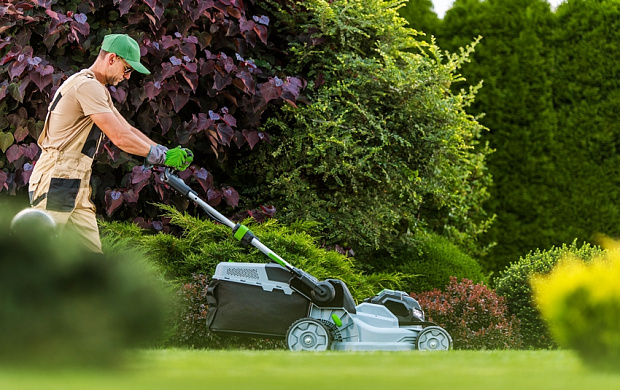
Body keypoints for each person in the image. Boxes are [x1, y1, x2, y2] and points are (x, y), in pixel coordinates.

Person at [28, 34, 192, 253]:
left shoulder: (95, 88)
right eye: (127, 69)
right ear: (112, 58)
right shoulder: (87, 87)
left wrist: (165, 152)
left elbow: (128, 129)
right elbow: (119, 137)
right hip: (58, 177)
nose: (127, 76)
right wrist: (160, 157)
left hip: (74, 180)